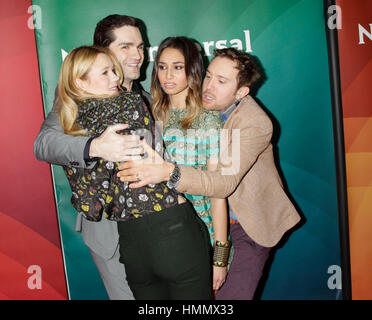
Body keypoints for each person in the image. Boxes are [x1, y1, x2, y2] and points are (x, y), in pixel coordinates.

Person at [117, 48, 301, 300]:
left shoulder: (254, 123)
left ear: (241, 92)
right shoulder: (193, 109)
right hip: (202, 223)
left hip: (248, 225)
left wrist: (168, 172)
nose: (209, 87)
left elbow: (223, 184)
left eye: (221, 81)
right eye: (209, 76)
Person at [56, 45, 212, 300]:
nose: (116, 78)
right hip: (170, 226)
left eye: (114, 71)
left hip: (131, 241)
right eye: (105, 72)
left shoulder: (71, 130)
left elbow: (91, 205)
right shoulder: (129, 102)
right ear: (79, 82)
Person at [33, 14, 149, 300]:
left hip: (155, 228)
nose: (137, 55)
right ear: (103, 51)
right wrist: (94, 147)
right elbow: (44, 143)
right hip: (110, 231)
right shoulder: (73, 93)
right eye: (126, 47)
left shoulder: (150, 94)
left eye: (141, 47)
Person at [150, 36, 230, 292]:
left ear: (193, 70)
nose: (167, 75)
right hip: (159, 234)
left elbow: (219, 193)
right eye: (162, 67)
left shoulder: (209, 120)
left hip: (198, 234)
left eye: (177, 67)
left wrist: (220, 257)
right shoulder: (152, 114)